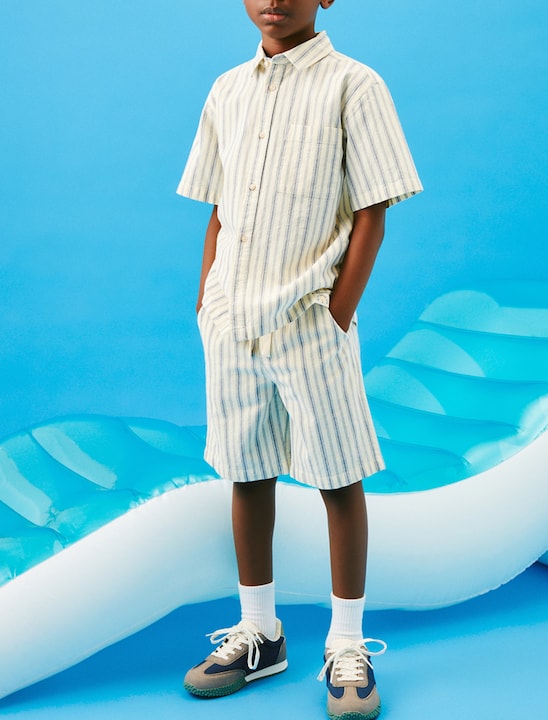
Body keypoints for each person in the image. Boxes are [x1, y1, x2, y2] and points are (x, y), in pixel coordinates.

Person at [176, 1, 422, 717]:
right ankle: (260, 632)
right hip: (232, 323)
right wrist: (208, 302)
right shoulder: (227, 89)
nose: (273, 0)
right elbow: (219, 208)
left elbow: (373, 210)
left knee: (338, 477)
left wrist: (337, 313)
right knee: (246, 471)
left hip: (310, 319)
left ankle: (346, 644)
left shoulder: (355, 85)